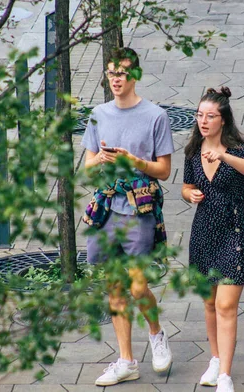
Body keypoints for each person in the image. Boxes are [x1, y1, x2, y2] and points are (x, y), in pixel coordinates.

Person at [81, 47, 174, 386]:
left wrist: (134, 162)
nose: (116, 79)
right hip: (106, 208)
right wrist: (102, 160)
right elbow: (88, 164)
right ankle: (126, 360)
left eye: (121, 73)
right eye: (110, 74)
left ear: (135, 74)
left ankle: (156, 333)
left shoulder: (155, 116)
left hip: (139, 207)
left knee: (137, 285)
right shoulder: (99, 114)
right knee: (115, 286)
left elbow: (164, 170)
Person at [182, 87, 244, 392]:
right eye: (200, 115)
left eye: (210, 116)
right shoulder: (193, 150)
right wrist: (188, 193)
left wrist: (224, 156)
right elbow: (186, 185)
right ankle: (215, 359)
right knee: (209, 302)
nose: (203, 121)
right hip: (203, 232)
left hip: (234, 231)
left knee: (226, 305)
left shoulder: (238, 150)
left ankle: (225, 376)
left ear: (223, 120)